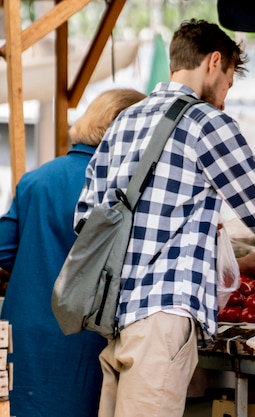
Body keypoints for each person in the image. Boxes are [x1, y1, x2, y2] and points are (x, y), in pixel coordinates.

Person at [75, 19, 255, 417]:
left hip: (114, 315)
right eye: (229, 84)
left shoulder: (125, 121)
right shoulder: (206, 123)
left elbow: (86, 219)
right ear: (214, 62)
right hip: (162, 316)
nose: (225, 99)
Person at [0, 88, 147, 417]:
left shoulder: (35, 180)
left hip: (24, 333)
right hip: (84, 338)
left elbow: (3, 249)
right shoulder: (122, 192)